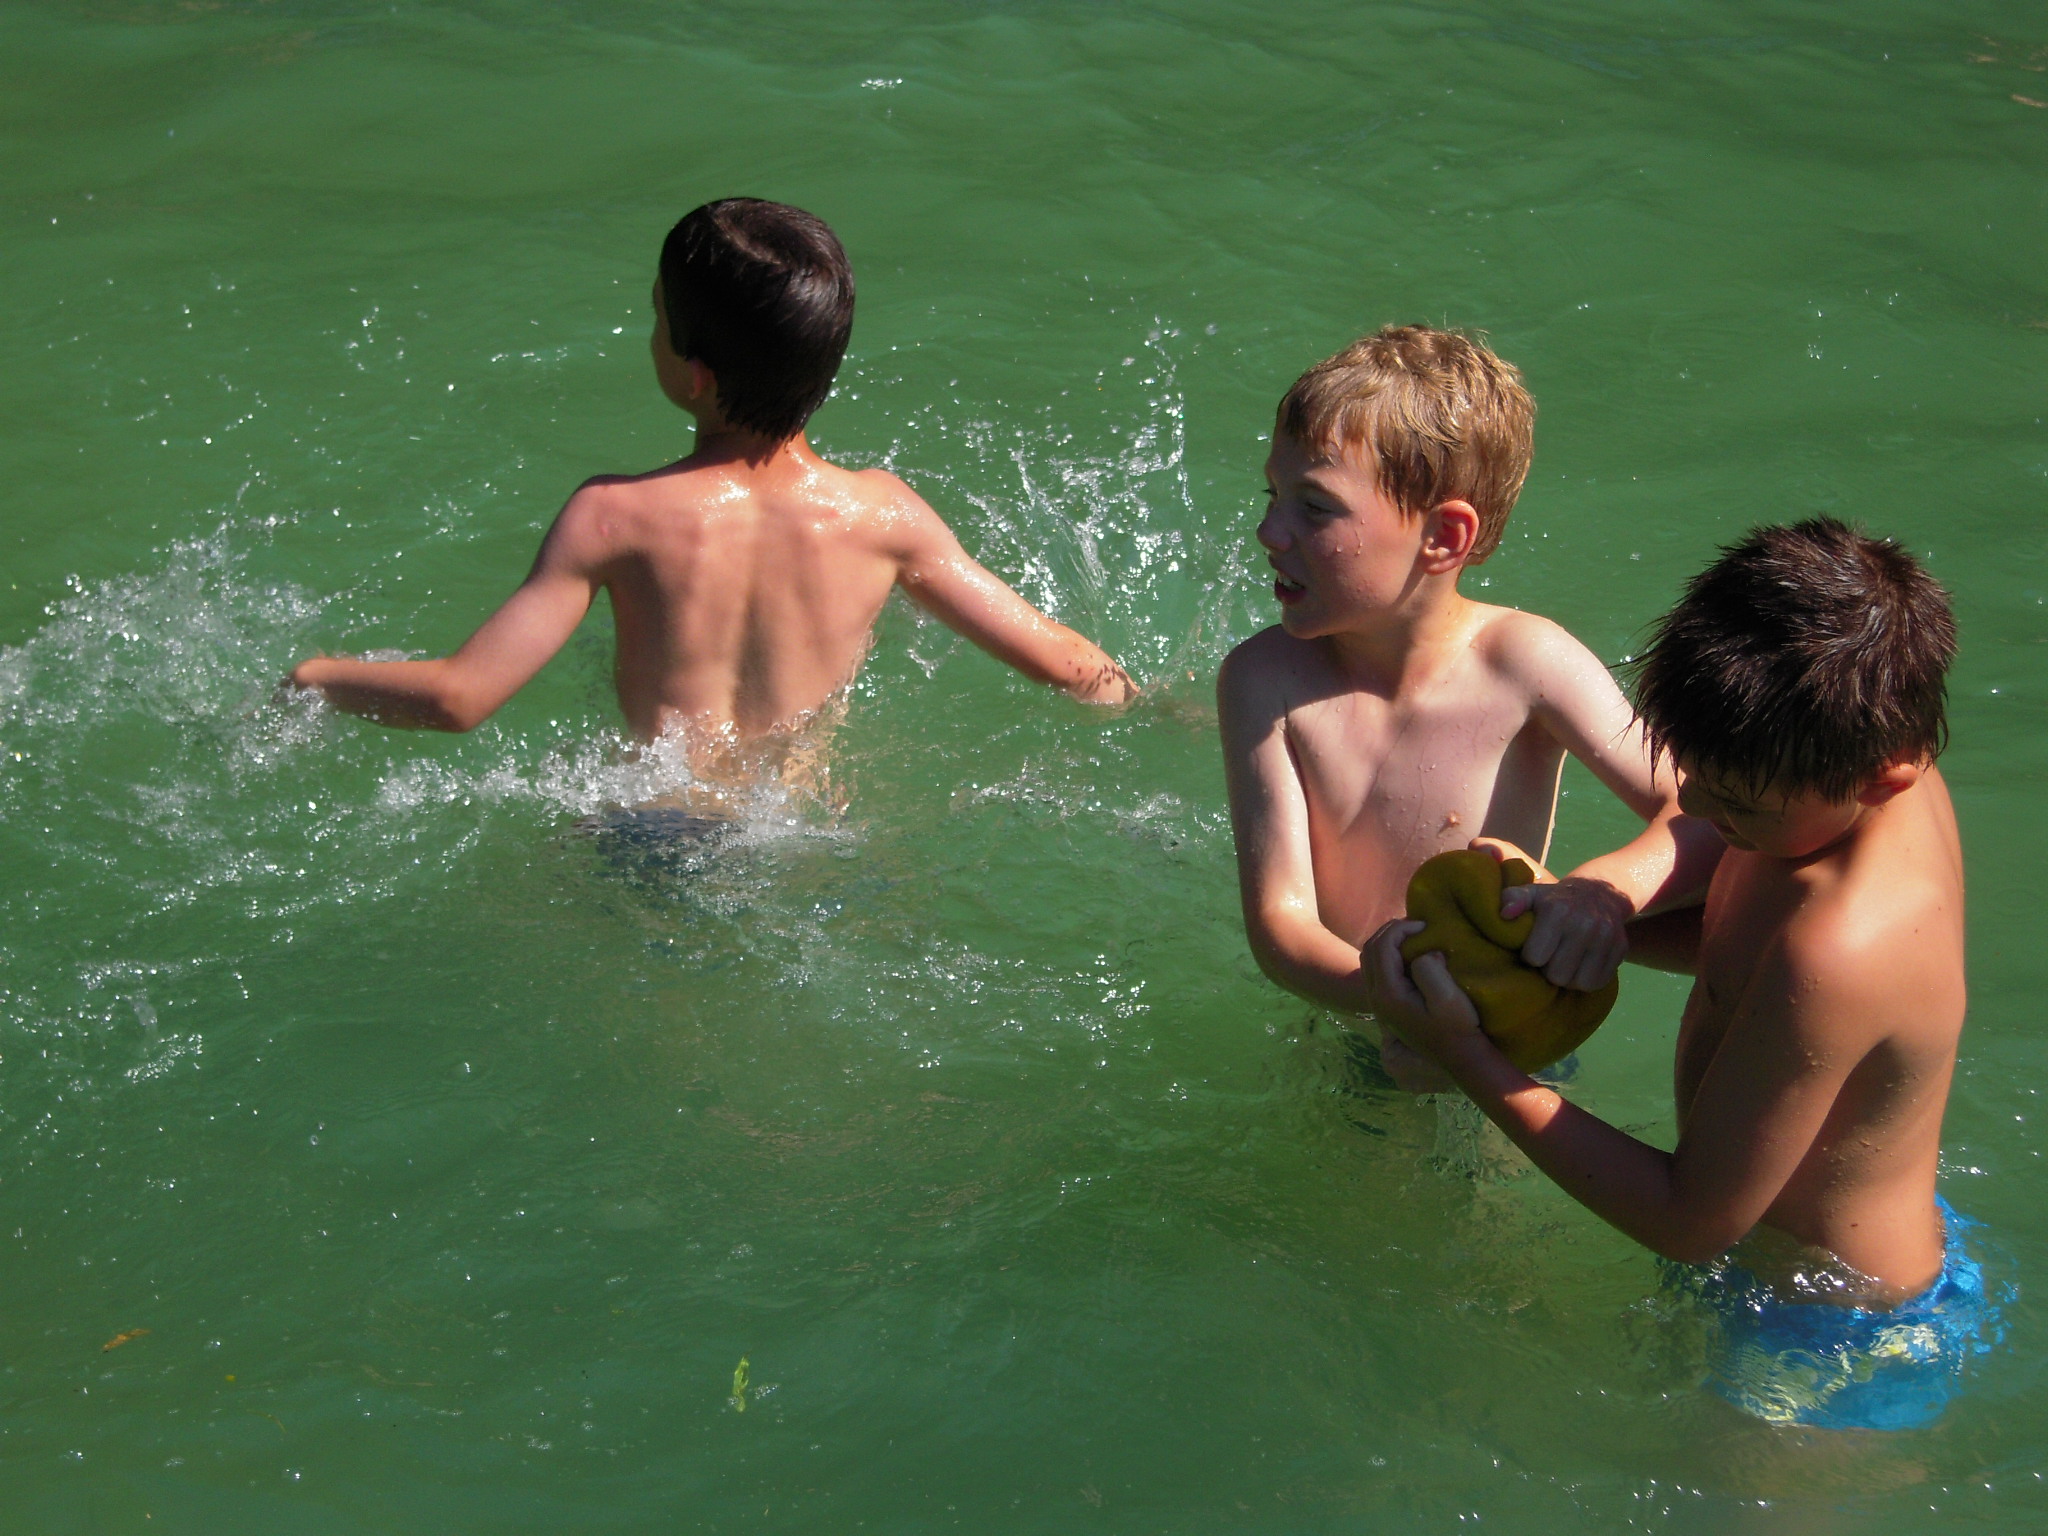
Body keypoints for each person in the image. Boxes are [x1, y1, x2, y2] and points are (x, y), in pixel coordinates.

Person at [1366, 519, 1993, 1428]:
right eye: (1689, 771)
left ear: (1882, 776)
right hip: (1812, 1258)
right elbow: (1743, 943)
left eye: (1731, 803)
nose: (1690, 804)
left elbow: (1691, 1220)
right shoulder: (1850, 767)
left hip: (1831, 1333)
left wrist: (1468, 1059)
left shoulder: (1844, 948)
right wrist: (1597, 907)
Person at [289, 198, 1133, 799]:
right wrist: (1162, 708)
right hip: (803, 841)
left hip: (653, 831)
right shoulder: (884, 517)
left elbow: (460, 698)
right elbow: (1072, 669)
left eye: (657, 317)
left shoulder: (612, 516)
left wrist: (314, 678)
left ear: (694, 374)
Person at [1216, 325, 1703, 1089]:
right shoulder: (1261, 680)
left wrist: (1602, 896)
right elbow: (1282, 921)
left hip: (1509, 1030)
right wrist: (1391, 1000)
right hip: (1352, 1016)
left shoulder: (1525, 662)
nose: (1269, 531)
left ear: (1443, 536)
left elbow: (1700, 809)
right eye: (1272, 495)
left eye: (1314, 507)